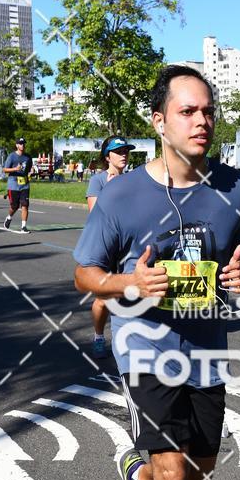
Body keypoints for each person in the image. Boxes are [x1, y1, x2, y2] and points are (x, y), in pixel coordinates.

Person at [73, 65, 240, 480]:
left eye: (207, 111)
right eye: (188, 112)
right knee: (174, 470)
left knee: (199, 472)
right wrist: (129, 284)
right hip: (145, 347)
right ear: (160, 122)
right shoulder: (122, 194)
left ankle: (139, 476)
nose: (202, 121)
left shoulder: (234, 187)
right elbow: (85, 273)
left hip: (205, 346)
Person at [86, 135, 136, 358]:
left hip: (128, 247)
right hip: (106, 248)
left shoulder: (133, 180)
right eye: (119, 151)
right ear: (108, 157)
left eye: (126, 151)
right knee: (104, 299)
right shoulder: (98, 181)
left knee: (132, 293)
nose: (124, 154)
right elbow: (95, 215)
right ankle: (98, 336)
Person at [3, 137, 32, 233]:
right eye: (20, 143)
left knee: (25, 205)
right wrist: (15, 169)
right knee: (14, 206)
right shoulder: (12, 156)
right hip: (13, 184)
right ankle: (9, 217)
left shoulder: (28, 157)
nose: (22, 145)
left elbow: (29, 168)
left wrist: (30, 172)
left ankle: (23, 227)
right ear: (17, 145)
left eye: (23, 143)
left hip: (24, 184)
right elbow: (5, 169)